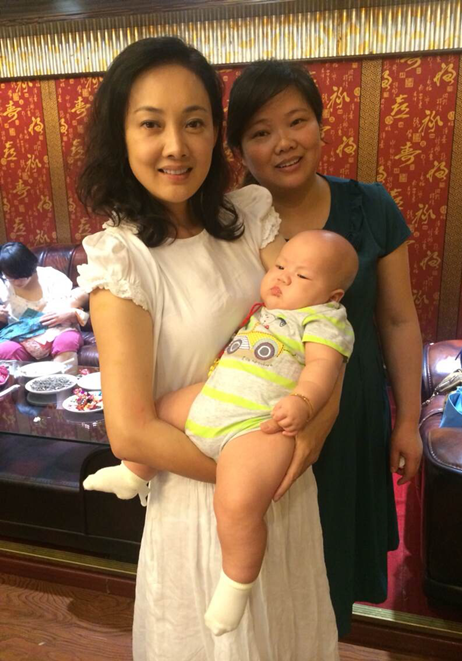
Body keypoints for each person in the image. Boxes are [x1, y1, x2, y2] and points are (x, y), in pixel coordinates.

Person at [76, 37, 342, 660]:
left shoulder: (248, 220)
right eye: (151, 124)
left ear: (215, 133)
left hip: (281, 488)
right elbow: (131, 431)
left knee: (289, 639)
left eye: (194, 123)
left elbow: (318, 318)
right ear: (121, 136)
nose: (176, 146)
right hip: (201, 506)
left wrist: (316, 423)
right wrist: (245, 478)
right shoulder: (123, 261)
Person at [226, 59, 423, 637]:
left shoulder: (370, 205)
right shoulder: (228, 220)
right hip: (256, 416)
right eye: (261, 132)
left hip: (351, 411)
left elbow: (397, 319)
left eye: (297, 121)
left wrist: (407, 420)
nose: (284, 143)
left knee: (332, 559)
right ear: (239, 148)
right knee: (259, 564)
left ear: (319, 124)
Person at [83, 229, 358, 636]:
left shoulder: (323, 320)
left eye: (301, 276)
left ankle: (236, 582)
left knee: (237, 503)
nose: (282, 277)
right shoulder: (267, 309)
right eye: (281, 266)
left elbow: (323, 369)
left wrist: (303, 402)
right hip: (212, 397)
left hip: (257, 424)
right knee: (164, 409)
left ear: (332, 296)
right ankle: (134, 473)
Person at [0, 241, 88, 369]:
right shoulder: (3, 286)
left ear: (31, 265)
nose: (17, 282)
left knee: (65, 341)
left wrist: (67, 313)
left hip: (60, 331)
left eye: (21, 276)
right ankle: (24, 381)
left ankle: (60, 380)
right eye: (11, 278)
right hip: (23, 338)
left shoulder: (51, 277)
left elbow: (74, 305)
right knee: (4, 349)